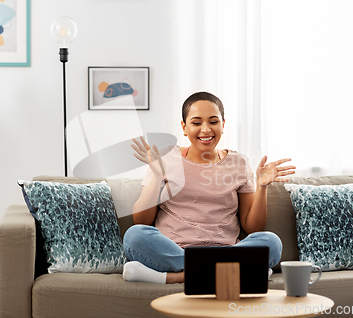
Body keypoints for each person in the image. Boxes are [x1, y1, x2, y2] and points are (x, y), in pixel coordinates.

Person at [122, 92, 296, 284]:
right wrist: (156, 176)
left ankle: (178, 276)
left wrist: (262, 186)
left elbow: (253, 227)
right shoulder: (164, 159)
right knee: (134, 236)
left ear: (223, 124)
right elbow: (141, 221)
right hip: (173, 249)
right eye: (196, 123)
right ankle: (235, 271)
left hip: (225, 249)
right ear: (184, 127)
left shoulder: (238, 163)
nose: (205, 130)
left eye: (213, 121)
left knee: (271, 242)